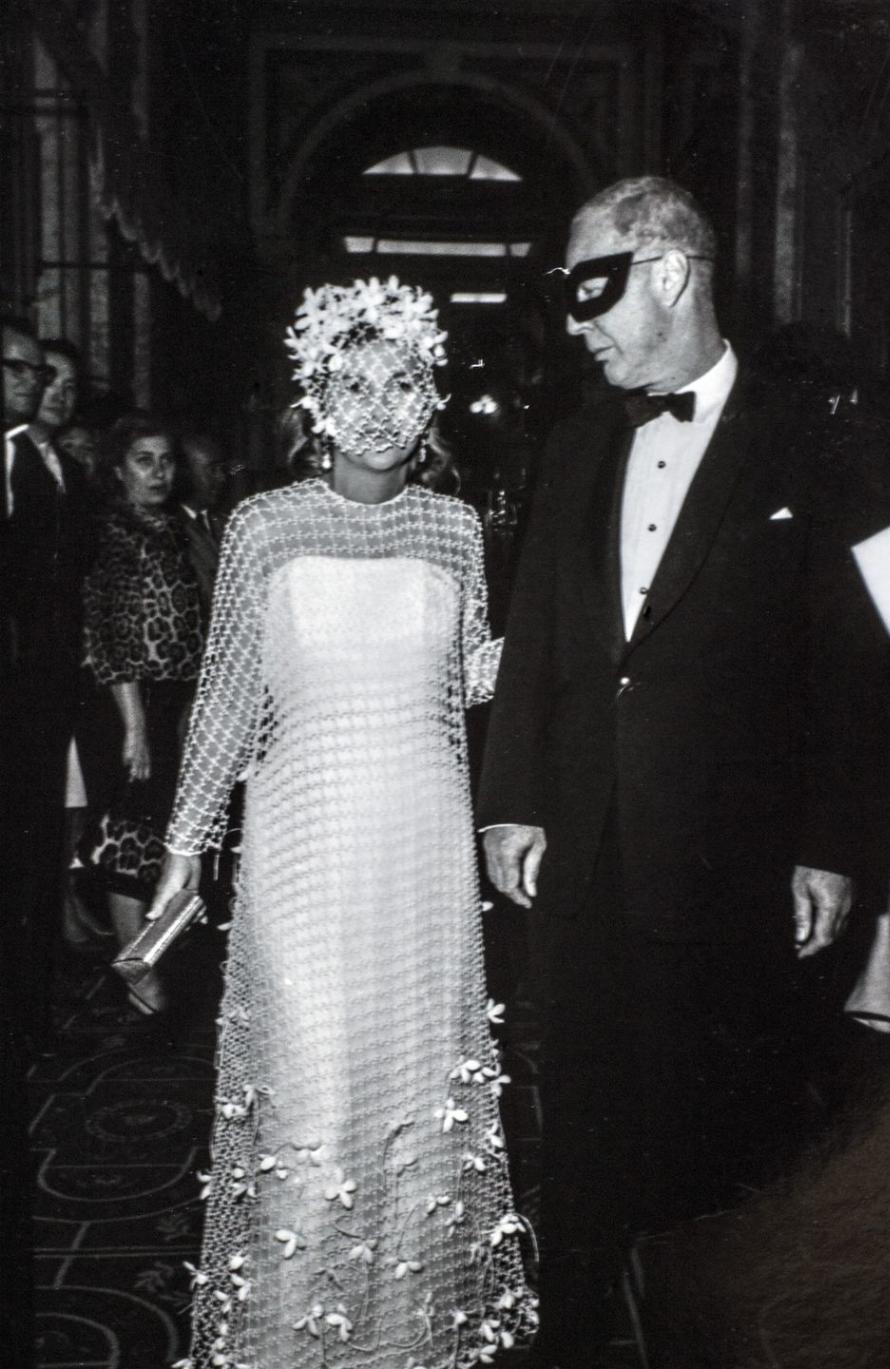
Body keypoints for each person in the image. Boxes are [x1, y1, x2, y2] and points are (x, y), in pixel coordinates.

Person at [478, 177, 877, 1367]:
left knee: (724, 1139)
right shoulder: (575, 439)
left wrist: (831, 840)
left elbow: (851, 666)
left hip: (735, 861)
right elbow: (539, 631)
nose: (576, 325)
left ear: (669, 271)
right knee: (582, 1137)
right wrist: (509, 800)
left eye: (591, 290)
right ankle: (573, 1336)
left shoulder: (817, 437)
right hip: (583, 852)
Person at [149, 278, 537, 1369]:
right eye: (353, 384)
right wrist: (185, 845)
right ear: (314, 399)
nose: (379, 405)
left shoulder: (455, 527)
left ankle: (403, 1341)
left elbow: (469, 681)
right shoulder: (263, 525)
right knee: (318, 1089)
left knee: (412, 1094)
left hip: (418, 850)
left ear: (432, 398)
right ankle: (288, 1344)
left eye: (403, 381)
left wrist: (571, 635)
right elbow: (226, 694)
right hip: (303, 854)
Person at [78, 413, 203, 1015]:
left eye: (166, 459)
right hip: (128, 700)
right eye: (143, 460)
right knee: (128, 838)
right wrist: (135, 726)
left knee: (160, 838)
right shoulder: (113, 533)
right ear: (117, 469)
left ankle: (148, 958)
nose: (158, 472)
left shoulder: (171, 527)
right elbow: (108, 636)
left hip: (172, 699)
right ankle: (134, 968)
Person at [1, 314, 93, 1038]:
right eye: (28, 370)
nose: (43, 386)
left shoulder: (57, 463)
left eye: (54, 375)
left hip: (51, 687)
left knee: (41, 843)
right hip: (19, 687)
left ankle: (34, 1000)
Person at [176, 429, 228, 625]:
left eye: (222, 469)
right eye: (212, 470)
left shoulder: (228, 524)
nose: (221, 477)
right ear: (185, 473)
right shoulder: (170, 529)